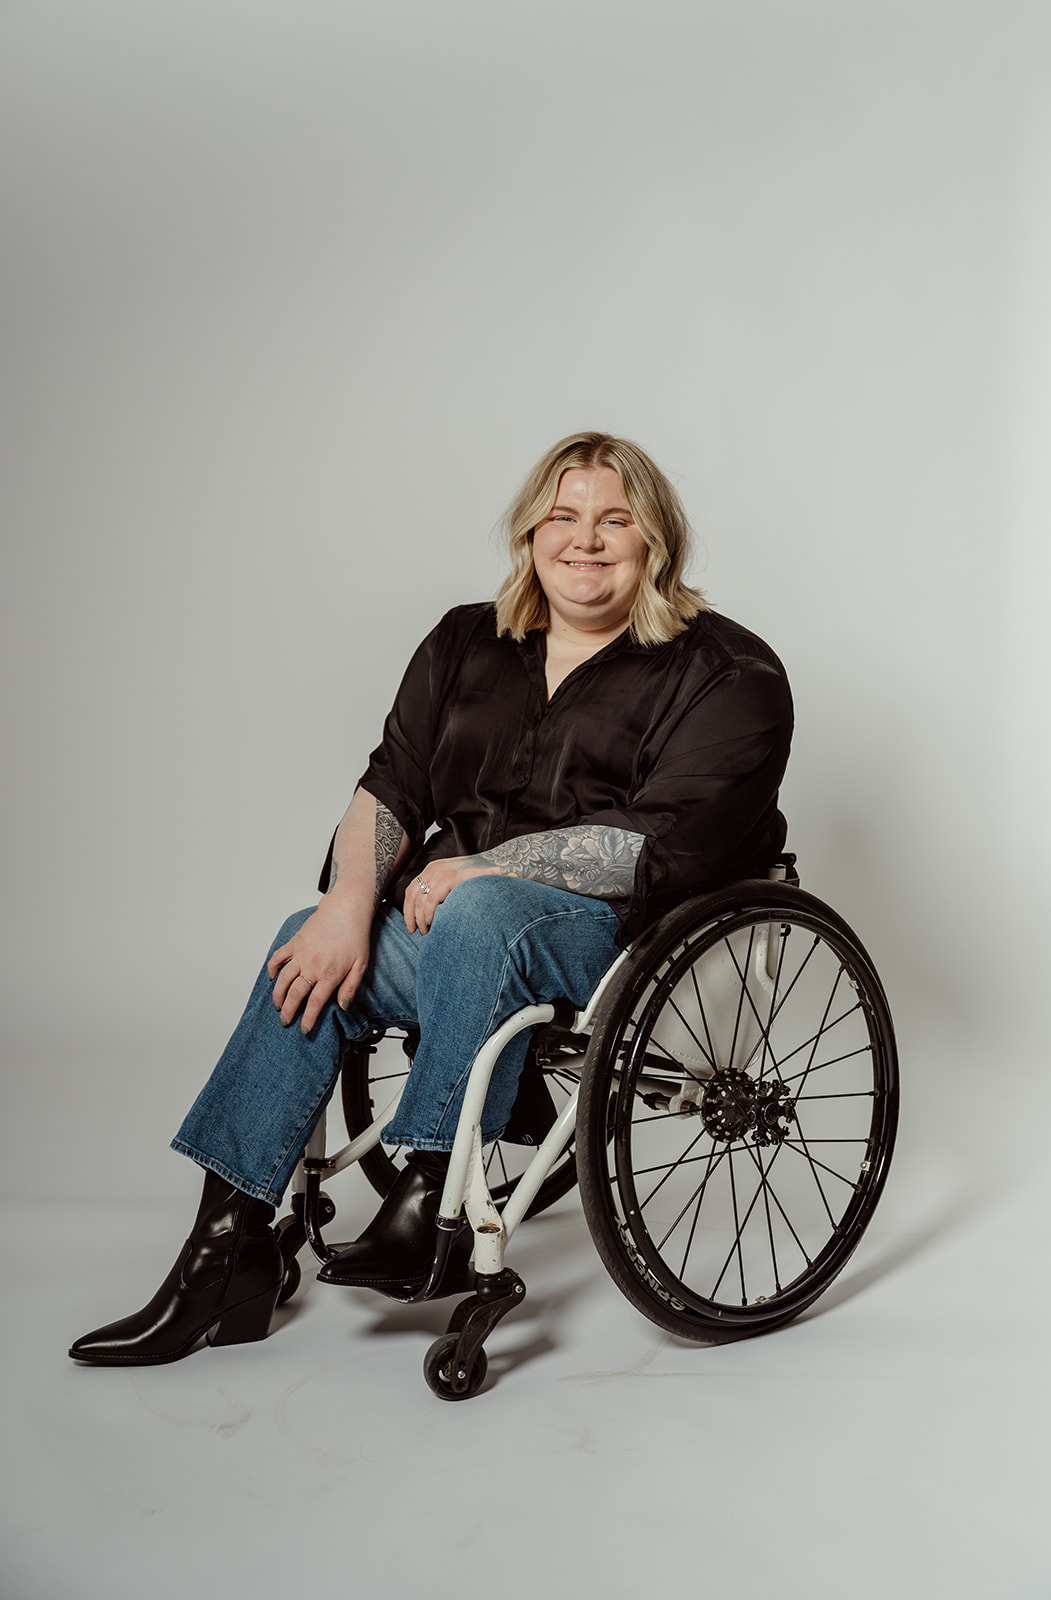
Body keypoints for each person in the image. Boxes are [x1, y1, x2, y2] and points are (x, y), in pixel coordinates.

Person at [69, 431, 793, 1366]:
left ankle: (431, 1197)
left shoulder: (727, 672)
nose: (585, 540)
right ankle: (224, 1250)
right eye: (562, 517)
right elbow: (393, 785)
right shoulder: (465, 641)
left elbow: (668, 840)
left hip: (621, 942)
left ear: (655, 540)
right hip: (453, 924)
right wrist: (345, 906)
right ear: (529, 533)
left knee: (482, 911)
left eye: (615, 520)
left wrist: (492, 867)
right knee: (306, 940)